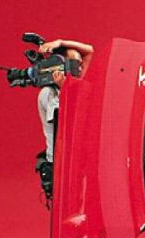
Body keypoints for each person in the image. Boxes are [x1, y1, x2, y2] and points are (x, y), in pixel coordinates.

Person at [35, 38, 94, 202]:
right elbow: (64, 123)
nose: (81, 67)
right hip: (62, 162)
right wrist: (63, 89)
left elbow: (89, 50)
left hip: (80, 158)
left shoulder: (77, 85)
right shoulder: (48, 93)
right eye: (76, 64)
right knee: (68, 207)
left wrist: (60, 43)